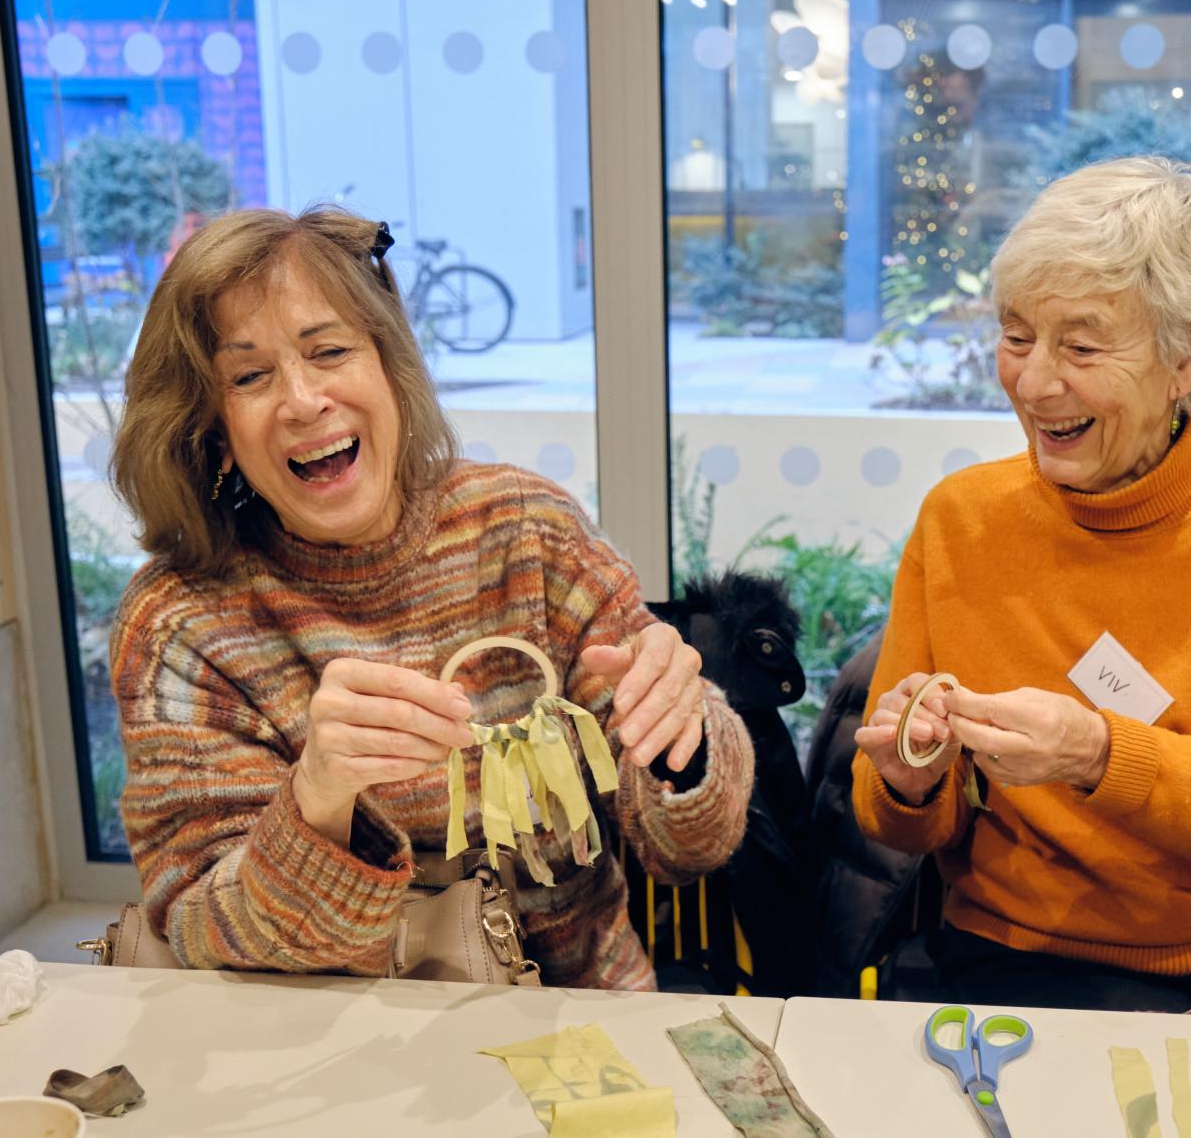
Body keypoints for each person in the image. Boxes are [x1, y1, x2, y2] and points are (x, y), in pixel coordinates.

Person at [108, 206, 754, 987]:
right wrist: (319, 797)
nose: (303, 400)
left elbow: (688, 847)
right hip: (325, 1034)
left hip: (580, 1007)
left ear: (390, 365)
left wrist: (683, 739)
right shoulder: (181, 622)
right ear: (213, 429)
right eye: (249, 376)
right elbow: (197, 926)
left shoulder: (524, 531)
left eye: (329, 351)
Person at [851, 156, 1191, 1020]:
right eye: (1017, 336)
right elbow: (906, 823)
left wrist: (1098, 753)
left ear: (1187, 359)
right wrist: (908, 777)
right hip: (1020, 948)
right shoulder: (962, 518)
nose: (1035, 382)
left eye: (1080, 347)